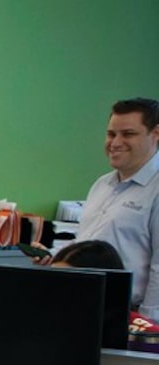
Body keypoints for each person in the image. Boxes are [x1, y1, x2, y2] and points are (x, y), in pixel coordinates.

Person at [75, 97, 159, 320]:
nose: (115, 142)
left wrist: (148, 324)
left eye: (128, 134)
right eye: (111, 134)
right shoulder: (102, 184)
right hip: (84, 303)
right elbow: (88, 242)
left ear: (156, 134)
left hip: (129, 313)